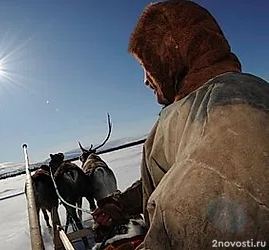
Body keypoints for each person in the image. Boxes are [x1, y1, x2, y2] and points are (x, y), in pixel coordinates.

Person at [92, 0, 269, 249]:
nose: (145, 81)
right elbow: (174, 176)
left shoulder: (231, 107)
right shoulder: (192, 106)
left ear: (170, 56)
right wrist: (120, 204)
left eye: (147, 67)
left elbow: (195, 218)